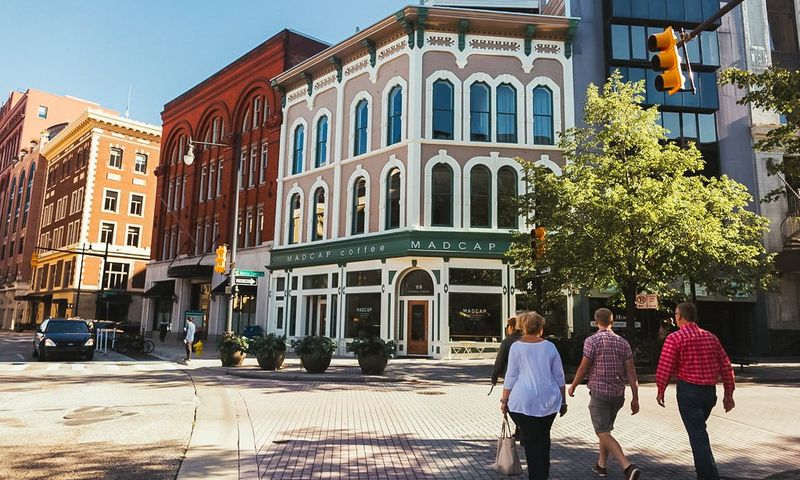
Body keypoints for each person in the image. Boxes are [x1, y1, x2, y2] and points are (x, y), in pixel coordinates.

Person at [656, 302, 735, 480]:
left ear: (680, 316)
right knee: (699, 430)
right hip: (709, 392)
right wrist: (728, 394)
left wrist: (661, 389)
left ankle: (708, 475)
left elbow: (665, 366)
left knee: (698, 435)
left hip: (688, 391)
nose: (675, 317)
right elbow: (725, 365)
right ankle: (704, 472)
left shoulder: (675, 338)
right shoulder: (711, 337)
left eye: (675, 314)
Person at [568, 308, 641, 480]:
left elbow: (583, 367)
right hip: (617, 394)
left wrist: (573, 386)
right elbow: (631, 372)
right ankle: (601, 465)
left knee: (601, 431)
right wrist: (635, 397)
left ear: (595, 321)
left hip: (599, 393)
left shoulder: (592, 341)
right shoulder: (623, 342)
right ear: (612, 320)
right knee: (606, 430)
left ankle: (627, 466)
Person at [500, 311, 567, 480]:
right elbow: (559, 375)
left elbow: (511, 375)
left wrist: (504, 399)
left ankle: (537, 475)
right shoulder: (549, 347)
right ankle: (543, 473)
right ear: (540, 328)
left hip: (522, 402)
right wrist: (563, 400)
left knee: (531, 442)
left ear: (523, 327)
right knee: (544, 439)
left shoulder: (516, 347)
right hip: (548, 401)